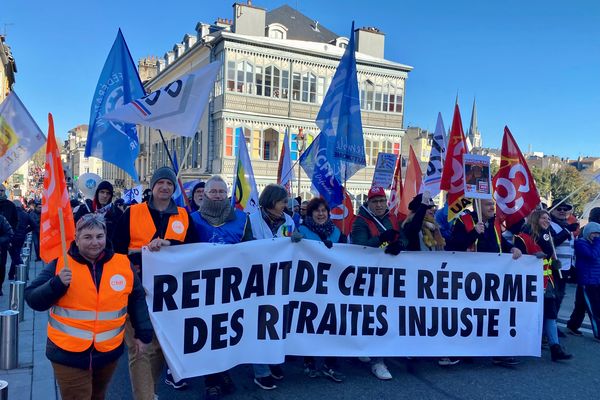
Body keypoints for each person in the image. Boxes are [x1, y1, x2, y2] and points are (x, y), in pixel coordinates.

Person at [24, 214, 153, 400]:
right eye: (87, 237)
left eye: (99, 236)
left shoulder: (122, 263)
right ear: (76, 239)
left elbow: (137, 298)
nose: (95, 242)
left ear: (106, 236)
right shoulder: (61, 264)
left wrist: (143, 333)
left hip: (108, 352)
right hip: (67, 353)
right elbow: (32, 298)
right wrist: (56, 284)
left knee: (97, 395)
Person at [113, 166, 196, 400]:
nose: (165, 187)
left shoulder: (183, 215)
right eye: (161, 183)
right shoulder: (132, 213)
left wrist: (169, 244)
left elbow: (195, 251)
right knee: (140, 347)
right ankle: (145, 397)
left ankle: (151, 391)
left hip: (169, 293)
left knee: (159, 348)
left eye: (169, 184)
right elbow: (116, 249)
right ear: (152, 186)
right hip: (136, 289)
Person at [190, 175, 251, 399]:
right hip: (204, 286)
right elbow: (182, 250)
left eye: (220, 191)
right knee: (209, 332)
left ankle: (223, 370)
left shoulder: (242, 219)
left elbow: (252, 249)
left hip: (233, 287)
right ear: (204, 194)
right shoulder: (193, 219)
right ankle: (211, 379)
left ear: (227, 194)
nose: (217, 195)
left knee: (226, 332)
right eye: (212, 191)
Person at [447, 199, 522, 366]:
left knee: (493, 315)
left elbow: (500, 243)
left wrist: (512, 248)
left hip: (492, 278)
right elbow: (453, 246)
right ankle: (459, 350)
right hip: (469, 278)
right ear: (477, 206)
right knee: (467, 315)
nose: (492, 207)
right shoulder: (464, 220)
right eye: (487, 204)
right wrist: (473, 232)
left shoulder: (494, 222)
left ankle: (497, 352)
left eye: (492, 204)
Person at [351, 185, 407, 380]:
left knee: (385, 315)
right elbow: (360, 247)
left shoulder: (392, 219)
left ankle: (373, 353)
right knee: (373, 316)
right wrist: (381, 239)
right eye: (375, 201)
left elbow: (404, 239)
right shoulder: (360, 221)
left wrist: (399, 245)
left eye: (382, 201)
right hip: (368, 276)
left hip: (390, 275)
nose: (379, 205)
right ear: (368, 203)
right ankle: (377, 361)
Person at [247, 184, 294, 390]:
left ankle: (273, 359)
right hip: (258, 281)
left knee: (276, 322)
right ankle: (261, 370)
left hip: (281, 282)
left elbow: (292, 245)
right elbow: (246, 248)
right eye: (283, 201)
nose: (286, 204)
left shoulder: (289, 220)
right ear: (272, 201)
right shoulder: (252, 219)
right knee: (259, 325)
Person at [297, 197, 346, 382]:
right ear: (310, 214)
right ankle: (309, 361)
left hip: (332, 286)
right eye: (316, 211)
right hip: (309, 287)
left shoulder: (336, 232)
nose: (320, 214)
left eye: (323, 210)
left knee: (331, 324)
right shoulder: (302, 231)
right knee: (309, 322)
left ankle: (330, 364)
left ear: (328, 213)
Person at [514, 210, 573, 362]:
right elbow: (517, 259)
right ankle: (518, 344)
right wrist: (531, 258)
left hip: (548, 281)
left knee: (550, 314)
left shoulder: (549, 238)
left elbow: (549, 256)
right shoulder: (523, 237)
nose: (547, 220)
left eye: (548, 218)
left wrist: (554, 263)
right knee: (527, 314)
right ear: (535, 219)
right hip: (530, 283)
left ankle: (555, 347)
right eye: (544, 218)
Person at [567, 207, 600, 335]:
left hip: (595, 279)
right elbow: (592, 255)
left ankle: (573, 325)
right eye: (595, 233)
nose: (597, 236)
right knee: (594, 308)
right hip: (587, 280)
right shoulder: (581, 243)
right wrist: (597, 241)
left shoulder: (594, 243)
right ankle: (598, 333)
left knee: (581, 305)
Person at [548, 199, 578, 324]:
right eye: (559, 208)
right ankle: (548, 328)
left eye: (565, 209)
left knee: (560, 297)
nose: (562, 211)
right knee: (552, 298)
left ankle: (553, 324)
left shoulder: (567, 225)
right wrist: (566, 232)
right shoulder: (549, 224)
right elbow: (551, 242)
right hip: (554, 267)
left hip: (566, 268)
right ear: (552, 210)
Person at [8, 199, 35, 279]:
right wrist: (25, 231)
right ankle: (12, 274)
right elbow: (34, 225)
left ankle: (22, 272)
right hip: (20, 238)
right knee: (15, 254)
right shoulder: (25, 215)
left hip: (11, 238)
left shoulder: (9, 215)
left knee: (15, 256)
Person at [0, 184, 17, 291]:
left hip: (3, 241)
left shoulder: (10, 205)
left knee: (1, 265)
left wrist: (8, 239)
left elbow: (15, 221)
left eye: (1, 190)